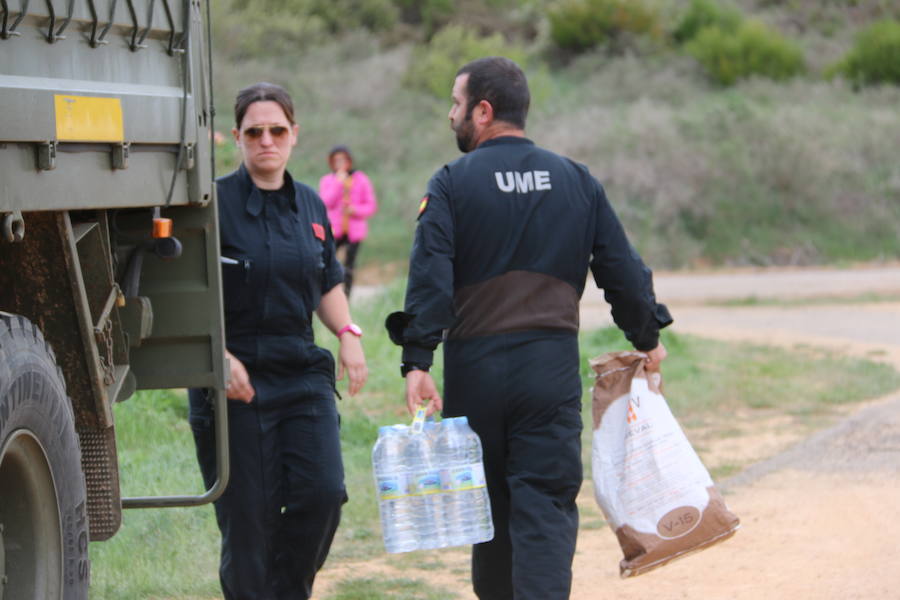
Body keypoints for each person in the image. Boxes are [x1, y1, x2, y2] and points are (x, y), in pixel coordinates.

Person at [385, 57, 672, 600]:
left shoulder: (450, 183)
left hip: (476, 372)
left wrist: (417, 361)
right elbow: (623, 273)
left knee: (488, 509)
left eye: (456, 103)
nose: (451, 115)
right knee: (544, 504)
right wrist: (647, 337)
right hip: (549, 371)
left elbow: (429, 278)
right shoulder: (576, 180)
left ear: (484, 111)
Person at [189, 82, 368, 600]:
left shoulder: (311, 203)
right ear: (237, 138)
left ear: (294, 135)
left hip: (300, 374)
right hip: (232, 383)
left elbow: (326, 277)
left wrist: (348, 333)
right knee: (249, 524)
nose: (266, 141)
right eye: (254, 132)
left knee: (324, 495)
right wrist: (217, 357)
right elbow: (183, 292)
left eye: (277, 131)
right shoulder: (212, 204)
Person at [318, 145, 378, 297]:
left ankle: (346, 298)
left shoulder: (361, 179)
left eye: (343, 159)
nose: (340, 163)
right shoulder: (327, 180)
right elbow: (325, 203)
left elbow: (371, 206)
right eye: (336, 160)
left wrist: (355, 210)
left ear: (349, 160)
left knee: (349, 267)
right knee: (327, 262)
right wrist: (338, 183)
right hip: (334, 230)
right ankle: (327, 295)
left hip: (354, 231)